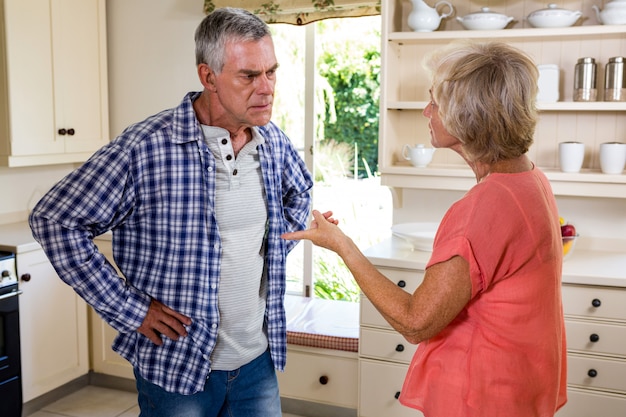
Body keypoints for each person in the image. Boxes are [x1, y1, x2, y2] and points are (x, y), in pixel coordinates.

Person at [29, 8, 318, 417]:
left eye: (271, 72)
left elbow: (300, 193)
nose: (266, 87)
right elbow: (55, 220)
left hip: (257, 364)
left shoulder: (272, 142)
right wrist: (132, 309)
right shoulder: (145, 147)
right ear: (208, 76)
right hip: (176, 369)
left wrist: (274, 248)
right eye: (249, 76)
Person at [283, 41, 567, 417]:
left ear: (467, 114)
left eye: (434, 101)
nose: (426, 111)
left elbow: (416, 322)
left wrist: (342, 245)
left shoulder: (483, 206)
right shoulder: (531, 179)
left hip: (481, 399)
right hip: (519, 388)